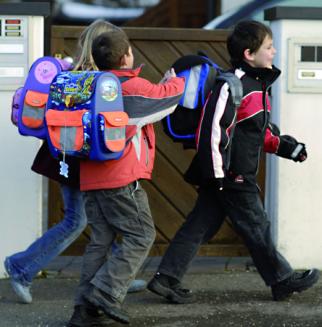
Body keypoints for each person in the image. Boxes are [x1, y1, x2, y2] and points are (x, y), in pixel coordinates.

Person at [147, 20, 320, 304]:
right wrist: (217, 174)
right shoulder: (233, 85)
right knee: (256, 225)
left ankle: (165, 279)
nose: (274, 51)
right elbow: (212, 130)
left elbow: (256, 133)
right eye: (269, 46)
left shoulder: (258, 85)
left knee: (200, 226)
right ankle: (281, 280)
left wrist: (288, 148)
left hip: (227, 173)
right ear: (249, 54)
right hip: (230, 174)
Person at [3, 20, 143, 310]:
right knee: (77, 221)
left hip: (67, 156)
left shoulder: (69, 73)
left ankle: (112, 279)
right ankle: (21, 267)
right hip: (77, 160)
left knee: (102, 222)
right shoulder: (98, 80)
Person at [66, 28, 184, 326]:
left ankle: (83, 311)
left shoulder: (87, 85)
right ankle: (105, 293)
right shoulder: (129, 86)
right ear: (126, 55)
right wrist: (177, 78)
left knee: (100, 240)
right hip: (120, 178)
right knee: (141, 234)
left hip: (90, 175)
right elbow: (167, 101)